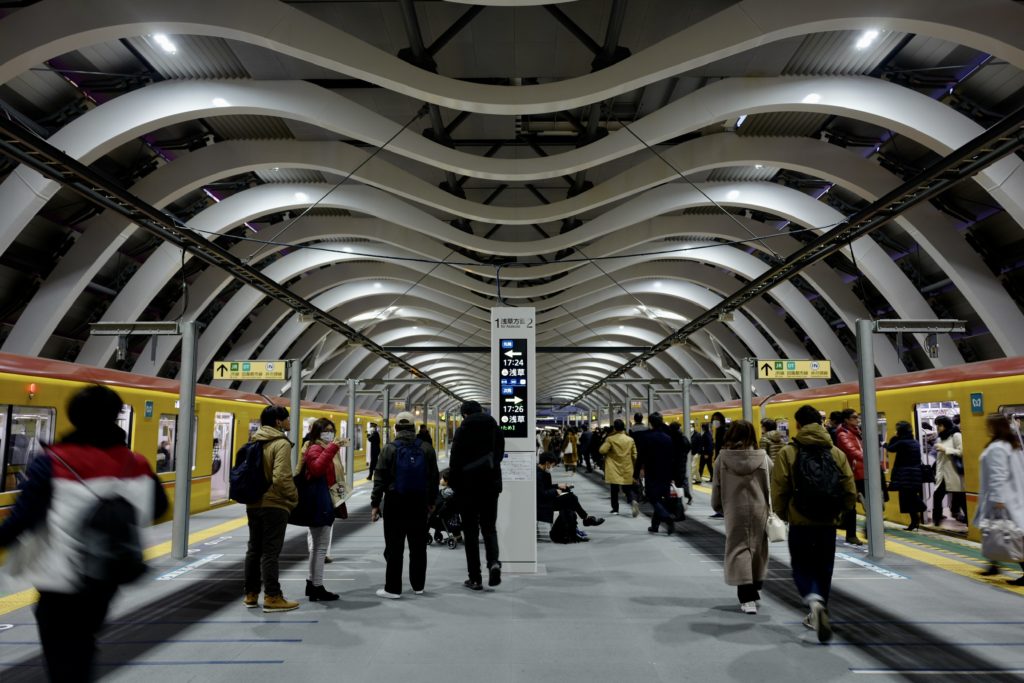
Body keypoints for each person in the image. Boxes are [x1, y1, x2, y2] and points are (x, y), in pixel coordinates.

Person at [0, 385, 168, 682]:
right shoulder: (136, 462)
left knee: (63, 658)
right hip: (107, 576)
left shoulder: (53, 461)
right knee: (82, 644)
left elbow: (22, 521)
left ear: (73, 416)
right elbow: (158, 507)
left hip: (61, 579)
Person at [771, 405, 856, 643]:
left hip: (800, 519)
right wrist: (841, 512)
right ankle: (819, 608)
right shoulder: (835, 451)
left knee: (801, 564)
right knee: (824, 566)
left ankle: (813, 600)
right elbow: (849, 487)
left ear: (797, 425)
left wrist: (783, 513)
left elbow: (779, 488)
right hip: (828, 520)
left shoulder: (789, 452)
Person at [371, 412, 439, 598]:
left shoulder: (389, 448)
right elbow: (434, 478)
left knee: (394, 546)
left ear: (396, 429)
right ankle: (418, 585)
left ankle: (393, 589)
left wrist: (375, 504)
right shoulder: (426, 448)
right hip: (419, 502)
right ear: (414, 428)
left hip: (395, 502)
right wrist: (432, 502)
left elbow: (380, 478)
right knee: (418, 546)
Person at [711, 420, 771, 614]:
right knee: (757, 547)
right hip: (758, 509)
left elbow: (717, 486)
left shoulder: (722, 458)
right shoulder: (762, 457)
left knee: (738, 548)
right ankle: (755, 585)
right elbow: (772, 482)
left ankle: (746, 597)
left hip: (734, 510)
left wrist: (717, 506)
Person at [244, 404, 300, 612]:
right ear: (278, 422)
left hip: (254, 503)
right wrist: (293, 497)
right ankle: (272, 596)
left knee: (253, 550)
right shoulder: (280, 443)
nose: (289, 422)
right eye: (286, 418)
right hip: (274, 504)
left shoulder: (254, 441)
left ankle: (251, 594)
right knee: (270, 552)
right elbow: (281, 477)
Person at [448, 401, 504, 591]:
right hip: (491, 487)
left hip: (467, 489)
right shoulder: (495, 428)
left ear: (465, 415)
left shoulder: (463, 430)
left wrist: (454, 486)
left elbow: (454, 461)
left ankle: (475, 578)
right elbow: (498, 457)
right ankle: (494, 562)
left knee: (470, 533)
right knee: (489, 528)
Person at [298, 418, 346, 602]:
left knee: (318, 547)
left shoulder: (321, 448)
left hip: (324, 500)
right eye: (325, 430)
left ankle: (312, 584)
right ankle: (317, 587)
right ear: (317, 432)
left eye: (331, 430)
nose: (329, 433)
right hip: (318, 502)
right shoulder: (314, 448)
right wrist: (333, 447)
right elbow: (317, 469)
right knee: (320, 548)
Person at [973, 413, 1024, 584]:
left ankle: (997, 564)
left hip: (1002, 499)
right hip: (1014, 495)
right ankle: (993, 564)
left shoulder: (997, 448)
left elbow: (998, 475)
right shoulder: (1013, 445)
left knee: (1007, 534)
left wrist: (998, 499)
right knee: (998, 532)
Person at [634, 413, 677, 534]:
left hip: (652, 472)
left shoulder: (646, 437)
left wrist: (636, 474)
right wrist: (673, 475)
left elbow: (640, 457)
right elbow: (673, 458)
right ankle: (655, 525)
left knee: (653, 498)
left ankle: (668, 519)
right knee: (661, 499)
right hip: (666, 472)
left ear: (650, 423)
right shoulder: (668, 438)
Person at [537, 452, 604, 527]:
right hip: (544, 504)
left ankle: (581, 523)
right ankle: (585, 520)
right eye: (553, 465)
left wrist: (558, 486)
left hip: (547, 500)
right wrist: (555, 491)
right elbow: (542, 494)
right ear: (547, 463)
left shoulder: (543, 472)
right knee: (571, 499)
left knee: (569, 497)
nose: (553, 467)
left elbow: (546, 487)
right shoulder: (539, 475)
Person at [885, 421, 925, 531]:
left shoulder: (902, 442)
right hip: (915, 474)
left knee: (909, 498)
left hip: (906, 475)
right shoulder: (914, 442)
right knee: (910, 497)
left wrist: (888, 441)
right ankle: (914, 521)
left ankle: (919, 513)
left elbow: (890, 448)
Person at [835, 408, 866, 545]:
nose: (857, 419)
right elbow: (851, 451)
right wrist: (868, 458)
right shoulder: (843, 434)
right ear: (846, 419)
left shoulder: (857, 432)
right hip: (851, 474)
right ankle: (851, 534)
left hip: (863, 472)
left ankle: (869, 530)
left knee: (871, 504)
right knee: (851, 506)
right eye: (854, 417)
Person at [933, 415, 967, 525]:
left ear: (946, 425)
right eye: (937, 425)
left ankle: (968, 519)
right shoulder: (940, 438)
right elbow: (939, 459)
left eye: (940, 425)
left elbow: (962, 452)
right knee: (937, 495)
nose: (938, 427)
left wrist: (945, 449)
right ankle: (936, 519)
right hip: (942, 473)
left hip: (954, 472)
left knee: (960, 496)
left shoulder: (956, 435)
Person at [600, 419, 639, 516]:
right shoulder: (630, 439)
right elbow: (634, 455)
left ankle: (615, 509)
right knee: (627, 488)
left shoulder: (610, 439)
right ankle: (632, 501)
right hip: (627, 466)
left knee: (614, 489)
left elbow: (602, 450)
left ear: (614, 428)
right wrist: (634, 465)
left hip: (613, 467)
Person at [667, 421, 693, 507]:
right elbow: (689, 447)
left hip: (672, 466)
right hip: (681, 465)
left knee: (675, 486)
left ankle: (678, 506)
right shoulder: (683, 438)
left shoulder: (669, 438)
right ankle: (680, 502)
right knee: (679, 484)